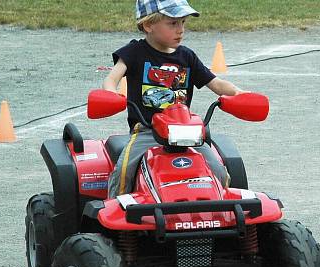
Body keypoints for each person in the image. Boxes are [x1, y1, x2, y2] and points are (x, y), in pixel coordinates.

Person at [103, 0, 245, 198]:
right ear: (148, 25)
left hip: (184, 133)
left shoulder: (187, 56)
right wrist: (111, 95)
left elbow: (217, 84)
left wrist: (241, 95)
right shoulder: (134, 52)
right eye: (173, 23)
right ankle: (115, 209)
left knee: (218, 170)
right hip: (147, 131)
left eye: (183, 23)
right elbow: (112, 79)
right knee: (124, 170)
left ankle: (223, 211)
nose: (181, 30)